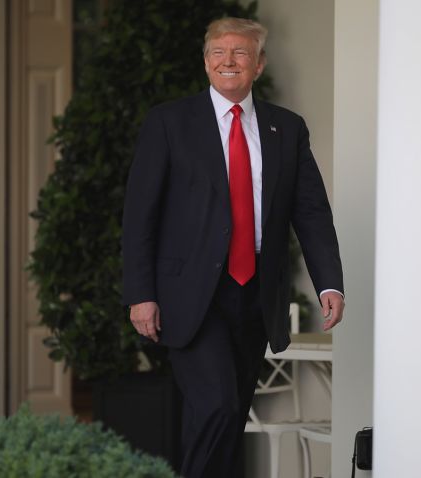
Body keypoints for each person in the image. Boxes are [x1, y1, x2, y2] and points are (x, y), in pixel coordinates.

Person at [122, 17, 344, 477]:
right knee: (218, 405)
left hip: (256, 293)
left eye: (240, 53)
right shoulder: (169, 123)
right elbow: (140, 214)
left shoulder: (287, 128)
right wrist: (140, 293)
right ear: (205, 62)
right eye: (219, 52)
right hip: (190, 296)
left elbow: (312, 212)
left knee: (228, 414)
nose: (229, 61)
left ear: (258, 65)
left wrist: (330, 284)